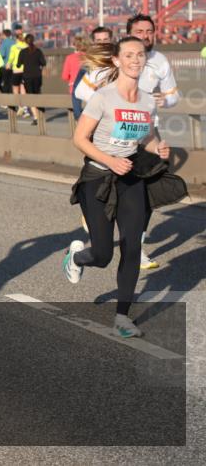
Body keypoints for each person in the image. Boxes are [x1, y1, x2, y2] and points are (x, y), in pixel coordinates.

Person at [61, 37, 185, 338]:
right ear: (116, 60)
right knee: (102, 255)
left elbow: (146, 137)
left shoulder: (145, 100)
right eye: (128, 55)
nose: (135, 60)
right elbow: (80, 139)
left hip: (130, 179)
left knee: (132, 247)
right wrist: (109, 160)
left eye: (140, 55)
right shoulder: (103, 97)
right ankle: (76, 257)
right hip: (99, 178)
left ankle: (122, 317)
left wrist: (159, 148)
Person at [73, 15, 180, 270]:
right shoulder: (115, 60)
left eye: (150, 31)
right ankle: (98, 220)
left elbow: (174, 95)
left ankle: (136, 247)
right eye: (140, 31)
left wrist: (163, 101)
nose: (145, 35)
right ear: (129, 34)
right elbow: (81, 92)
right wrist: (108, 102)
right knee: (115, 193)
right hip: (112, 140)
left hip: (147, 138)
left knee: (145, 199)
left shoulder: (160, 62)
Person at [71, 26, 112, 119]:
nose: (102, 43)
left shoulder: (120, 59)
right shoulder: (88, 64)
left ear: (111, 40)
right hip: (96, 116)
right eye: (99, 40)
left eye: (105, 39)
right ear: (94, 42)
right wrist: (78, 115)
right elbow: (76, 91)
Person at [16, 33, 46, 124]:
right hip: (37, 76)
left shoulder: (23, 52)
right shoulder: (38, 51)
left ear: (25, 41)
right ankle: (40, 110)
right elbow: (43, 63)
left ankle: (36, 117)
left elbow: (18, 64)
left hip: (27, 76)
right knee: (37, 94)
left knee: (30, 96)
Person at [5, 28, 28, 117]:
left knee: (15, 88)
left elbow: (11, 57)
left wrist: (8, 64)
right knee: (23, 88)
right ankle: (25, 107)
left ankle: (19, 105)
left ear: (16, 39)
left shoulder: (14, 47)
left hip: (16, 70)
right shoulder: (26, 46)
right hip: (25, 70)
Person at [0, 28, 15, 93]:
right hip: (13, 66)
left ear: (3, 35)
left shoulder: (4, 43)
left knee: (5, 83)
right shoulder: (14, 42)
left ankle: (6, 98)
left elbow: (2, 54)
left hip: (5, 66)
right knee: (11, 83)